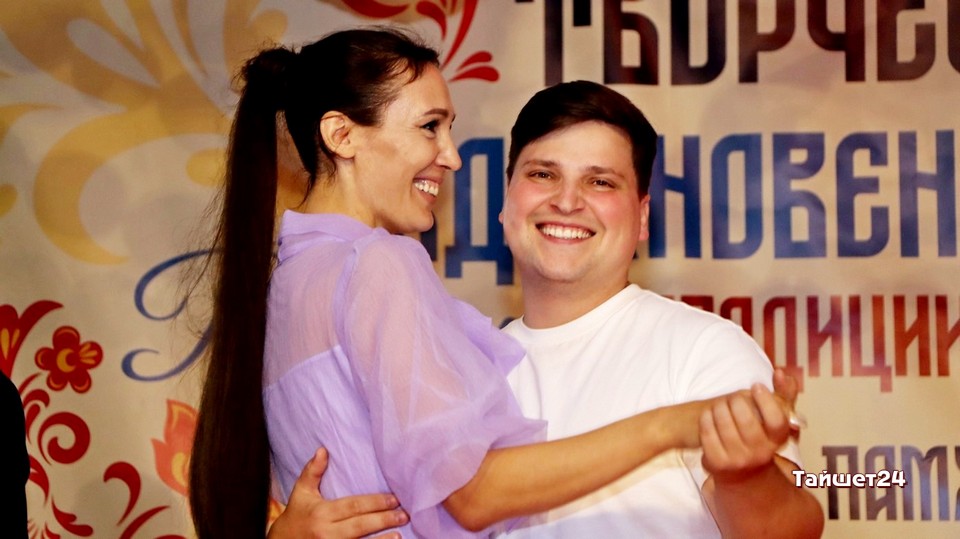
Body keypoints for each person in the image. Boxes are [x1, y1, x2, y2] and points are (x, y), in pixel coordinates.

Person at [188, 27, 789, 539]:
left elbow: (812, 496)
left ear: (643, 215)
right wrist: (672, 425)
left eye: (601, 182)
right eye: (542, 174)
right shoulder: (384, 272)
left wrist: (746, 474)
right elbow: (472, 496)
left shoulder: (704, 348)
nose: (451, 156)